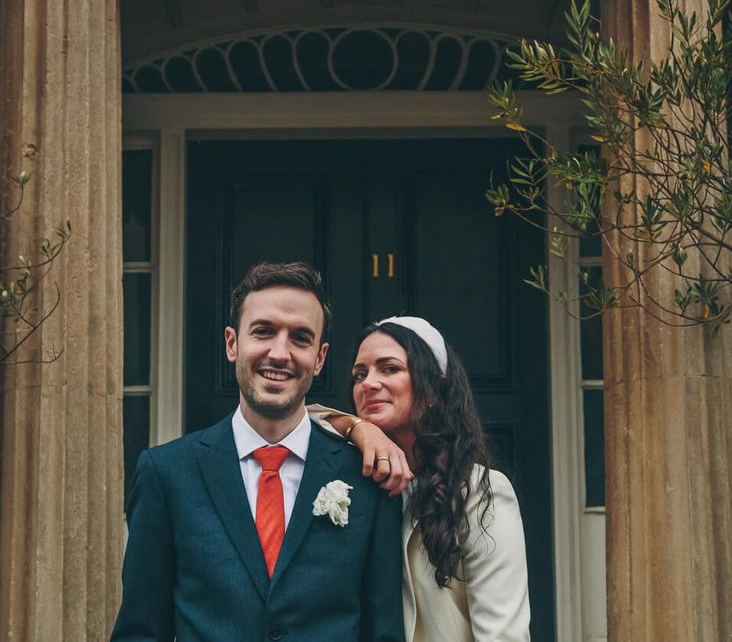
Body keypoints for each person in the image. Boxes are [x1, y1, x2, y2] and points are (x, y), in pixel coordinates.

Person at [111, 262, 405, 642]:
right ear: (233, 343)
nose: (279, 353)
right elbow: (140, 630)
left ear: (320, 358)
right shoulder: (166, 473)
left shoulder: (366, 480)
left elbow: (383, 631)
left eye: (300, 338)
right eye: (263, 332)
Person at [309, 316, 530, 642]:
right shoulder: (357, 476)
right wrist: (358, 428)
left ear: (434, 389)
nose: (368, 383)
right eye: (360, 374)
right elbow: (296, 420)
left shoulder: (480, 492)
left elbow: (503, 634)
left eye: (389, 368)